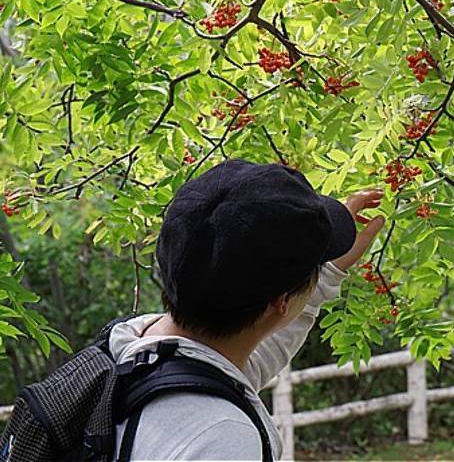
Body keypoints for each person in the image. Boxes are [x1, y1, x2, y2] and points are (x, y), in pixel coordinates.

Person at [109, 159, 385, 460]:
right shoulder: (221, 439)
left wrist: (325, 274)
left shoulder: (133, 351)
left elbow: (247, 359)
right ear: (281, 302)